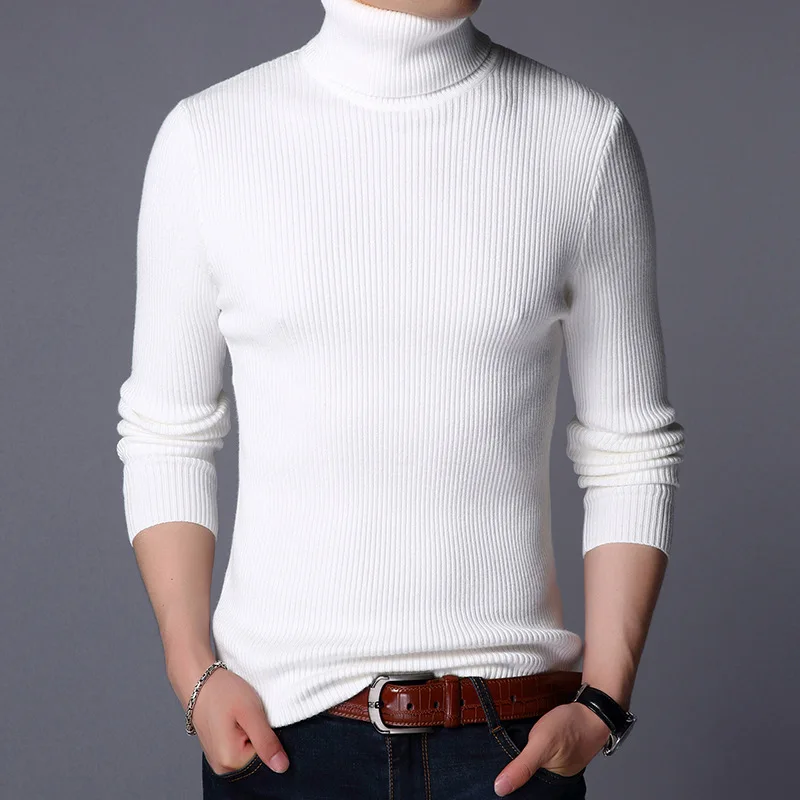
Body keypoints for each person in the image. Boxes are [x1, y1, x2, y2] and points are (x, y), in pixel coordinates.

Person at [115, 0, 686, 796]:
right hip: (279, 744)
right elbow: (167, 432)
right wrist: (193, 673)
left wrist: (603, 703)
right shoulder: (208, 139)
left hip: (509, 746)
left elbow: (629, 446)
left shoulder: (580, 137)